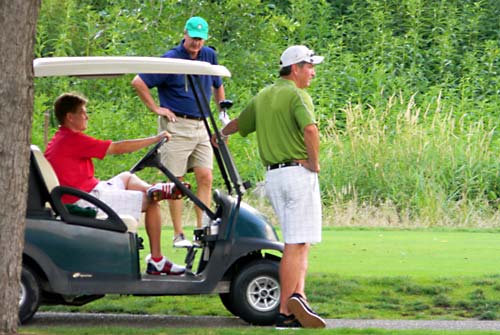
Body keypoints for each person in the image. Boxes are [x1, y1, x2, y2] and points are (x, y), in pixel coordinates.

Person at [216, 45, 326, 328]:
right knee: (295, 243)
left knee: (300, 241)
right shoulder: (297, 94)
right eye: (310, 66)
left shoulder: (264, 95)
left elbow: (240, 123)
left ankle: (298, 298)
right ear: (295, 68)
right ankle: (285, 311)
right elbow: (310, 130)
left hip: (274, 177)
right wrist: (314, 163)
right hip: (297, 173)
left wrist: (219, 134)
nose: (313, 72)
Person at [45, 92, 185, 276]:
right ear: (70, 117)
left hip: (88, 191)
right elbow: (116, 148)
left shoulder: (62, 138)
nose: (87, 116)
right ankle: (157, 261)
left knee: (127, 177)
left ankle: (152, 190)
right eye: (83, 112)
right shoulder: (72, 140)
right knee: (152, 202)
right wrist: (155, 139)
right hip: (86, 200)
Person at [131, 16, 226, 248]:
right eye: (193, 38)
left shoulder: (208, 55)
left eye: (200, 39)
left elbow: (218, 84)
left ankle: (202, 229)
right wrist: (156, 108)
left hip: (202, 124)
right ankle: (178, 234)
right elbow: (138, 82)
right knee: (177, 182)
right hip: (177, 125)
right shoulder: (170, 59)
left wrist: (221, 113)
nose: (196, 43)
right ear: (185, 34)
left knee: (206, 176)